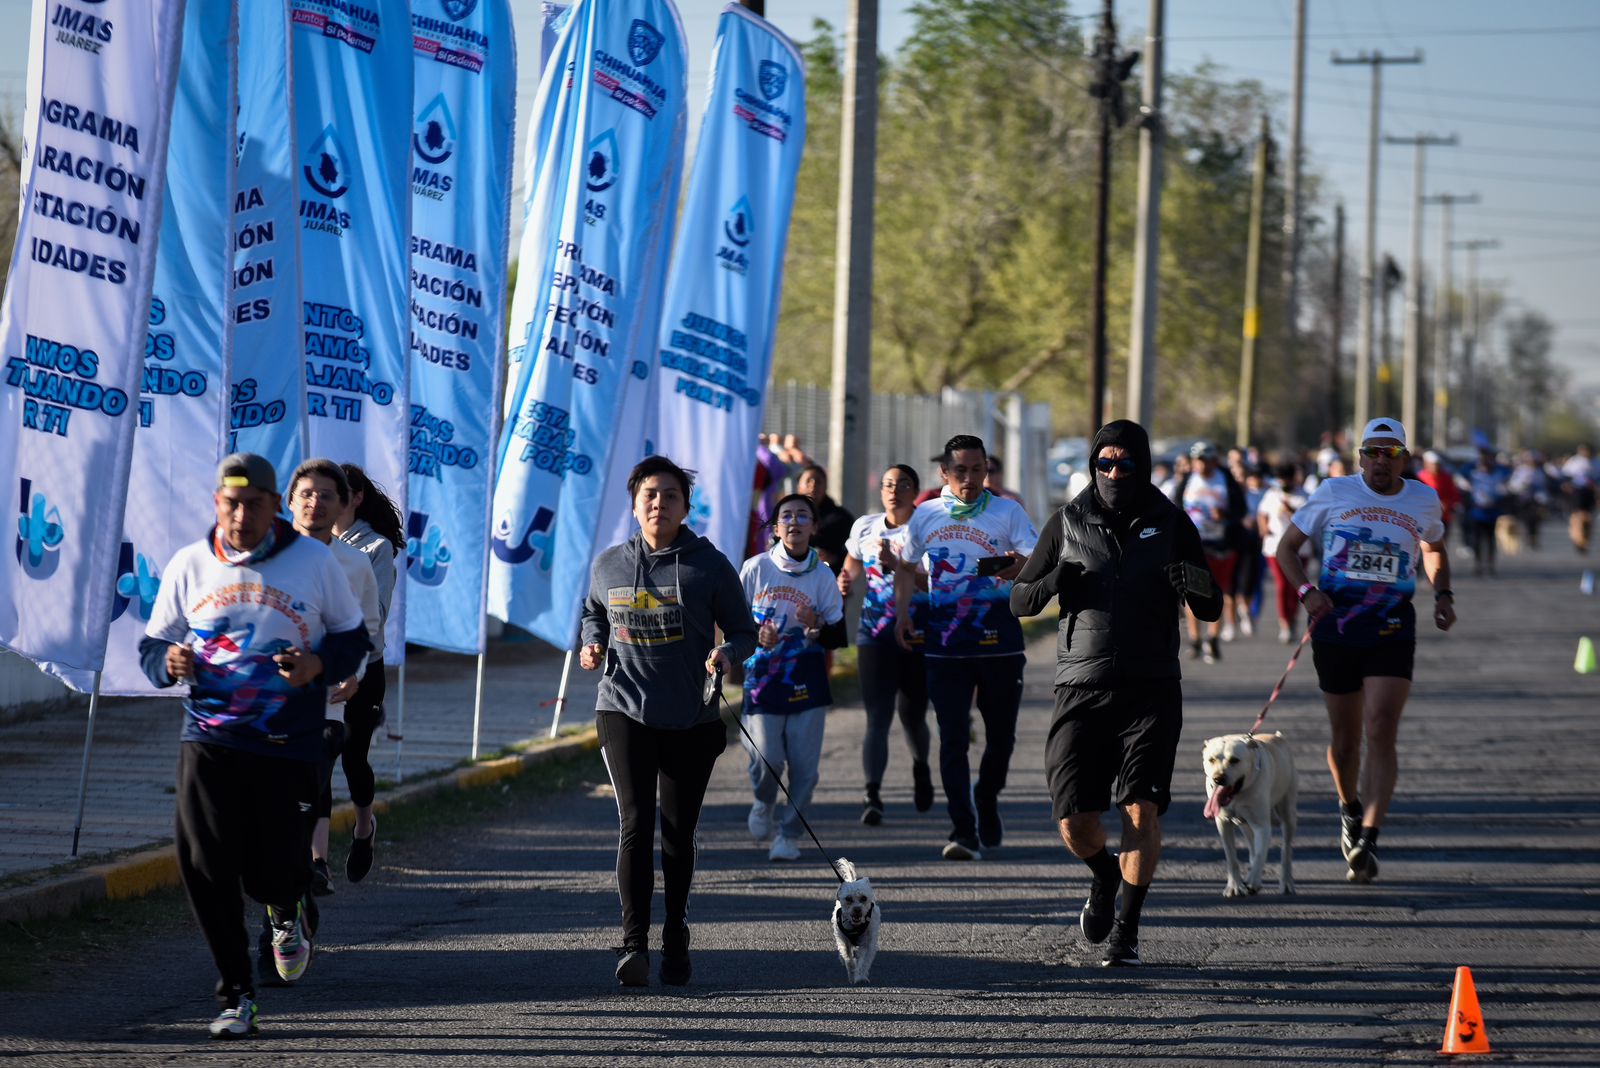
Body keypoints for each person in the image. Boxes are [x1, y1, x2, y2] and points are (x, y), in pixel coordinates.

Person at [139, 454, 370, 1038]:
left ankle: (286, 904)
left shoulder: (313, 561)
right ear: (217, 503)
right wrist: (167, 663)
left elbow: (354, 639)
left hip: (288, 742)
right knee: (203, 864)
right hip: (210, 738)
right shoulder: (190, 563)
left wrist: (318, 663)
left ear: (274, 507)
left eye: (254, 505)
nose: (241, 515)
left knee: (273, 871)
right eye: (230, 504)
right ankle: (236, 994)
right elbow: (154, 644)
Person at [1010, 419, 1222, 967]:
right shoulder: (1067, 521)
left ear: (1143, 466)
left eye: (1125, 464)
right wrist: (1055, 581)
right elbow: (1020, 601)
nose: (1113, 473)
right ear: (1091, 466)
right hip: (1080, 685)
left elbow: (1211, 606)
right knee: (1074, 821)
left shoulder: (1172, 523)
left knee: (1140, 810)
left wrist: (1193, 587)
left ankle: (1126, 931)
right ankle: (1105, 876)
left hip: (1151, 687)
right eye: (1104, 464)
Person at [579, 456, 758, 988]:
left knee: (678, 834)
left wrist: (727, 657)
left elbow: (744, 631)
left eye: (670, 496)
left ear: (685, 505)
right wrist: (592, 643)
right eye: (650, 495)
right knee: (635, 823)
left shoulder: (708, 565)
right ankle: (633, 943)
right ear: (635, 505)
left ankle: (674, 931)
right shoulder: (609, 563)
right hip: (622, 707)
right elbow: (593, 611)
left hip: (691, 715)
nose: (659, 504)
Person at [1275, 418, 1455, 885]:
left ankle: (1369, 839)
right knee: (1345, 740)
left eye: (1390, 453)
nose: (1380, 461)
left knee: (1381, 727)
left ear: (1404, 459)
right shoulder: (1334, 492)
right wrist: (1306, 592)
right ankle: (1349, 808)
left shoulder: (1421, 498)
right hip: (1335, 626)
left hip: (1392, 626)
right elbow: (1286, 550)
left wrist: (1443, 595)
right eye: (1372, 452)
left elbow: (1433, 547)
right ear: (1359, 457)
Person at [894, 434, 1037, 861]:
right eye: (960, 471)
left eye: (977, 470)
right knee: (952, 739)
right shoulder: (926, 515)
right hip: (945, 646)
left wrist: (1016, 566)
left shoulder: (1007, 512)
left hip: (999, 645)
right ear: (945, 473)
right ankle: (963, 829)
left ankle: (987, 797)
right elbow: (905, 567)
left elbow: (1036, 563)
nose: (969, 479)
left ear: (987, 471)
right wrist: (904, 613)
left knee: (1001, 740)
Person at [285, 460, 381, 903]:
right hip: (264, 703)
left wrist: (354, 676)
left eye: (326, 496)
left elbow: (366, 632)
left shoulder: (356, 564)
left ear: (343, 505)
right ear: (289, 502)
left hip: (327, 702)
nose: (315, 503)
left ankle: (313, 868)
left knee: (315, 780)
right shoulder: (264, 558)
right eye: (306, 493)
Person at [740, 493, 848, 861]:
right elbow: (733, 624)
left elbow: (838, 633)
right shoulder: (755, 569)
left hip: (807, 681)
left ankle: (788, 833)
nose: (795, 522)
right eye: (787, 515)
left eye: (804, 516)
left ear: (814, 528)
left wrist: (815, 624)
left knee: (804, 769)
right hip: (762, 681)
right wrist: (757, 635)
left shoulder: (822, 574)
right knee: (764, 758)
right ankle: (763, 800)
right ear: (775, 527)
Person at [838, 464, 933, 825]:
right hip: (873, 634)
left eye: (903, 484)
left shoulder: (925, 531)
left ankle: (921, 767)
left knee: (912, 715)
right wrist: (844, 582)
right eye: (888, 484)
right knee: (877, 717)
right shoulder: (865, 526)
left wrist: (900, 566)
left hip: (916, 634)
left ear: (915, 491)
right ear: (881, 492)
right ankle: (872, 793)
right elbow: (851, 564)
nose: (894, 491)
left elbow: (934, 585)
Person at [331, 463, 405, 883]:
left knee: (352, 757)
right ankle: (316, 859)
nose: (324, 501)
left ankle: (364, 827)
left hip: (365, 666)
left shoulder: (375, 549)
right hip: (318, 666)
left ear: (357, 499)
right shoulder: (308, 543)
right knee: (317, 757)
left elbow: (375, 615)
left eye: (337, 492)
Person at [1171, 441, 1246, 663]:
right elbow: (1174, 509)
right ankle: (1195, 639)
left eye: (1205, 460)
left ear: (1214, 460)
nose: (1201, 465)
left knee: (1216, 592)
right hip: (1195, 545)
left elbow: (1240, 510)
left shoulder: (1226, 480)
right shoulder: (1187, 480)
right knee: (1192, 590)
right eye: (1198, 461)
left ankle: (1212, 640)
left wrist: (1224, 515)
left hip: (1221, 545)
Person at [1258, 463, 1311, 643]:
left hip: (1300, 549)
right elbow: (1262, 513)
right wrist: (1263, 528)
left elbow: (1310, 518)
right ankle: (1284, 624)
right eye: (1280, 478)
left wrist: (1292, 511)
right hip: (1274, 548)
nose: (1283, 482)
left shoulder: (1303, 496)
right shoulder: (1272, 494)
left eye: (1285, 478)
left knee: (1296, 587)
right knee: (1282, 585)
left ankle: (1293, 619)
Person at [797, 463, 855, 574]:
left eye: (818, 481)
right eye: (808, 480)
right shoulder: (788, 515)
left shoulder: (841, 518)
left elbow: (853, 550)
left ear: (825, 487)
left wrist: (834, 557)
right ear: (799, 486)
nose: (813, 485)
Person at [1465, 444, 1510, 577]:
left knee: (1490, 540)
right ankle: (1478, 564)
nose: (1485, 466)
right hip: (1477, 512)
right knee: (1477, 540)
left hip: (1492, 512)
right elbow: (1462, 471)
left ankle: (1490, 564)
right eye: (1482, 463)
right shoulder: (1474, 475)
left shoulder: (1497, 475)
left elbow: (1507, 474)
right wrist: (1478, 458)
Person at [1416, 451, 1462, 547]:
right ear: (1426, 464)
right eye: (1433, 464)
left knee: (1441, 544)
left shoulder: (1446, 477)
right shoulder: (1420, 477)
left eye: (1438, 464)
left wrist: (1448, 504)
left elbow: (1454, 494)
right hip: (1425, 517)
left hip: (1443, 517)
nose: (1436, 467)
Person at [1562, 444, 1596, 554]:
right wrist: (1567, 486)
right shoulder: (1574, 462)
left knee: (1588, 518)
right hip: (1577, 492)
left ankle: (1585, 540)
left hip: (1590, 493)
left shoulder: (1596, 462)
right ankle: (1578, 538)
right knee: (1578, 517)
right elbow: (1565, 476)